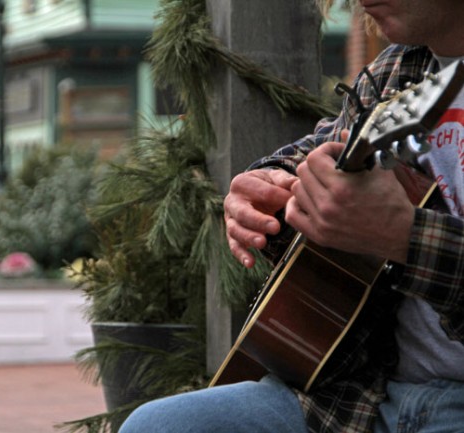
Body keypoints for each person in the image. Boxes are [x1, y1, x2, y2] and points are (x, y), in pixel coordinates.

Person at [119, 0, 464, 432]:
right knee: (158, 426)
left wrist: (405, 238)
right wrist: (269, 189)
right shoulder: (403, 66)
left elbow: (395, 230)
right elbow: (324, 149)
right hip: (366, 397)